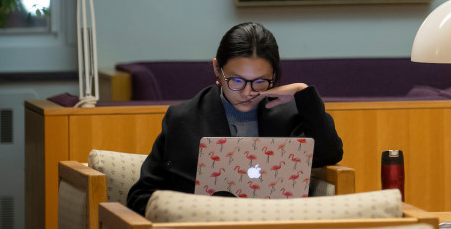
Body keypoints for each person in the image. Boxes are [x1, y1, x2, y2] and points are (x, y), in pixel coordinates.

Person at [126, 22, 344, 215]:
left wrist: (304, 94)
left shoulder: (287, 114)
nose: (248, 92)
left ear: (275, 76)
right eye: (237, 81)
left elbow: (329, 153)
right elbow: (141, 196)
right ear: (217, 70)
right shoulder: (183, 119)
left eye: (260, 81)